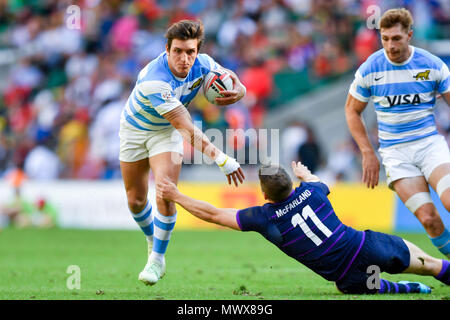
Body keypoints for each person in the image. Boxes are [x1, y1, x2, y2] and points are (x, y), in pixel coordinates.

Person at [157, 161, 450, 295]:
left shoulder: (263, 217)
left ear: (264, 195)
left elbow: (212, 214)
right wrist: (304, 174)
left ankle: (410, 288)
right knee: (428, 263)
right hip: (367, 246)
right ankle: (427, 276)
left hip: (347, 276)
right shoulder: (314, 191)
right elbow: (314, 181)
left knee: (357, 286)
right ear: (291, 182)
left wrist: (176, 195)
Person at [119, 19, 246, 286]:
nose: (184, 58)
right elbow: (187, 127)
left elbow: (232, 81)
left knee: (165, 190)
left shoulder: (205, 64)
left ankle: (156, 259)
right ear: (167, 49)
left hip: (166, 134)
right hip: (134, 131)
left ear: (197, 52)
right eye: (178, 51)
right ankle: (153, 241)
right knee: (135, 200)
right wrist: (223, 160)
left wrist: (240, 91)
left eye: (190, 52)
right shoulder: (155, 80)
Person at [345, 8, 450, 258]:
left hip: (429, 146)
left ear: (409, 35)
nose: (390, 45)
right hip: (395, 154)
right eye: (385, 38)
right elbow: (352, 111)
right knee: (428, 219)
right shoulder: (370, 69)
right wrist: (367, 153)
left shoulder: (432, 65)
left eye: (396, 38)